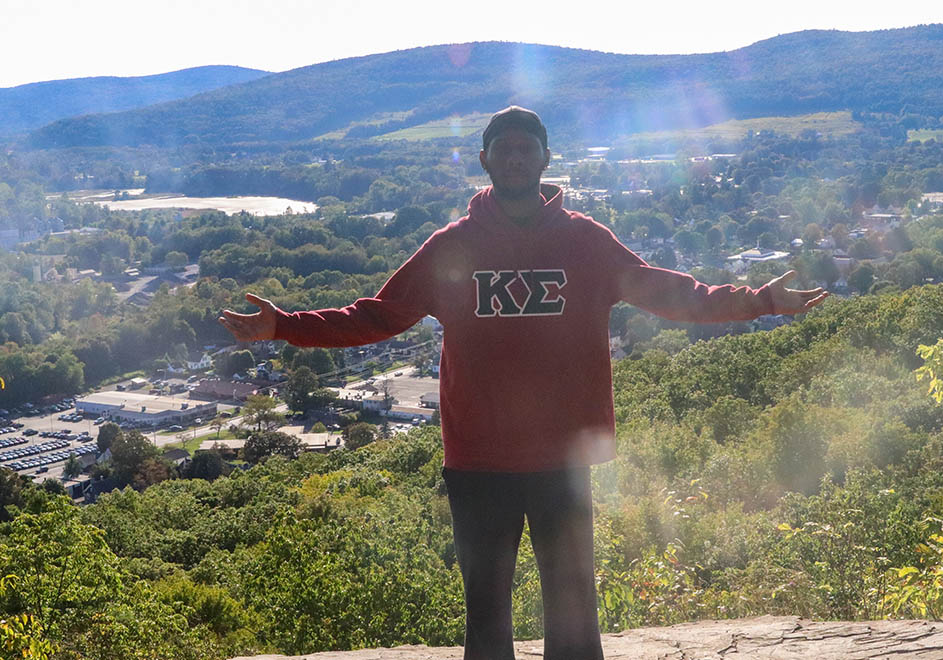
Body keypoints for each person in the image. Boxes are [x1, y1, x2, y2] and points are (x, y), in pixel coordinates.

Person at [218, 106, 828, 660]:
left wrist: (758, 300)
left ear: (544, 159)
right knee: (486, 616)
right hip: (479, 458)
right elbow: (375, 315)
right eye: (503, 148)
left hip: (565, 455)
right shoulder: (451, 248)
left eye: (526, 148)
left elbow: (671, 292)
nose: (514, 158)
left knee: (573, 615)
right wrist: (284, 327)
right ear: (485, 159)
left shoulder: (585, 242)